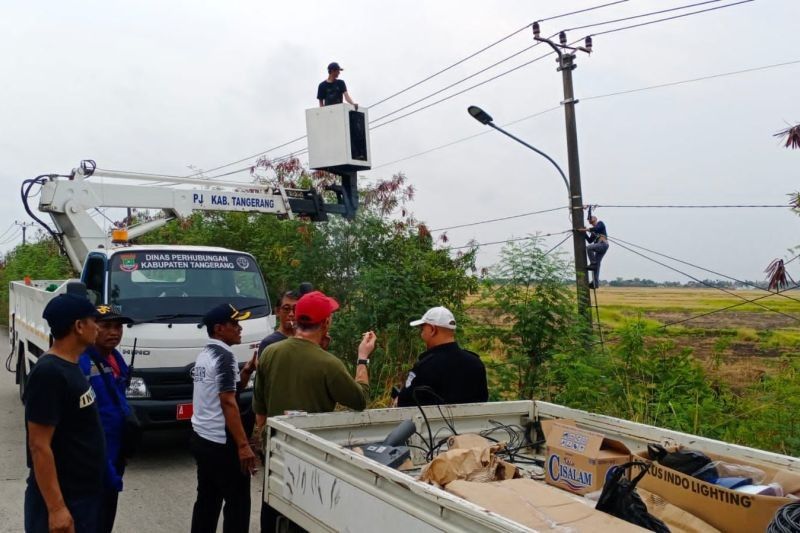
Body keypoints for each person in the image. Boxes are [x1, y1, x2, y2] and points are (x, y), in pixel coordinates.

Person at [254, 290, 376, 533]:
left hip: (276, 449)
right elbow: (359, 399)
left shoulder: (270, 353)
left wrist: (263, 443)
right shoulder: (328, 364)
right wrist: (363, 358)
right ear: (326, 323)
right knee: (304, 519)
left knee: (272, 505)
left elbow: (260, 408)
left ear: (296, 320)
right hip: (310, 458)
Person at [24, 292, 104, 533]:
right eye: (93, 321)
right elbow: (39, 445)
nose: (97, 327)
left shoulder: (72, 365)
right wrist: (57, 508)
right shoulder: (49, 373)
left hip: (83, 495)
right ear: (79, 326)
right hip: (64, 498)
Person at [190, 304, 259, 533]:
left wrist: (247, 371)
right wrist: (243, 446)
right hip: (223, 442)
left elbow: (225, 390)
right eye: (235, 324)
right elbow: (228, 401)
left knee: (207, 501)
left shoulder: (205, 354)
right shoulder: (225, 357)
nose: (240, 328)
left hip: (202, 438)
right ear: (219, 328)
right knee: (238, 503)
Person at [77, 305, 135, 533]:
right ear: (91, 328)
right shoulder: (82, 362)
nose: (115, 332)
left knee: (106, 515)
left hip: (115, 451)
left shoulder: (115, 358)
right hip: (94, 456)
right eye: (107, 326)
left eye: (118, 327)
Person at [396, 306, 488, 407]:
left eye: (422, 329)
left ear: (432, 329)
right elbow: (482, 400)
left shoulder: (425, 366)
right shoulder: (476, 363)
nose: (421, 334)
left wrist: (398, 399)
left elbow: (404, 404)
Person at [582, 215, 609, 289]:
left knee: (589, 248)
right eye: (589, 219)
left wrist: (586, 230)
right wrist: (584, 233)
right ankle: (595, 283)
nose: (590, 219)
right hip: (599, 246)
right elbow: (590, 240)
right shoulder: (593, 230)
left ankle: (593, 263)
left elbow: (597, 228)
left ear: (596, 219)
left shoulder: (600, 223)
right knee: (597, 265)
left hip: (603, 245)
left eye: (591, 218)